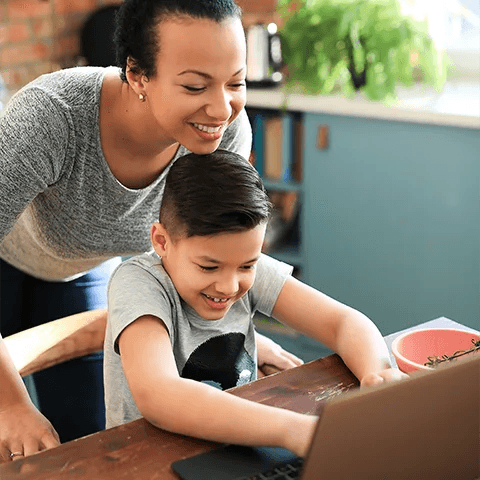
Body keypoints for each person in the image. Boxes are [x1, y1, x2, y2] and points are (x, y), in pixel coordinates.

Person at [0, 0, 301, 462]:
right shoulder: (50, 118)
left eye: (236, 82)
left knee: (89, 442)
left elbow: (214, 254)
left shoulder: (224, 133)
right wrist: (10, 402)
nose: (223, 108)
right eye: (196, 85)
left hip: (82, 270)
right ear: (138, 74)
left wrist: (238, 332)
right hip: (7, 262)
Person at [105, 149, 407, 458]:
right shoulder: (137, 283)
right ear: (162, 242)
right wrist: (294, 430)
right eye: (209, 267)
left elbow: (342, 322)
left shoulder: (237, 263)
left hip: (237, 445)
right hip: (148, 458)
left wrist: (378, 373)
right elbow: (159, 395)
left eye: (247, 266)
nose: (230, 286)